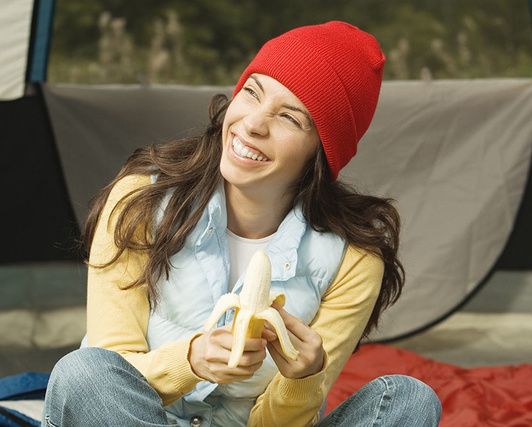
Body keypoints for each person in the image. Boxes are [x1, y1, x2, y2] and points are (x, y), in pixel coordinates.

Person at [42, 21, 442, 427]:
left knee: (409, 400)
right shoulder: (139, 200)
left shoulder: (353, 258)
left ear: (321, 151)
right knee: (83, 373)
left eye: (289, 118)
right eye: (252, 93)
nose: (253, 124)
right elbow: (112, 369)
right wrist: (191, 360)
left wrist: (302, 379)